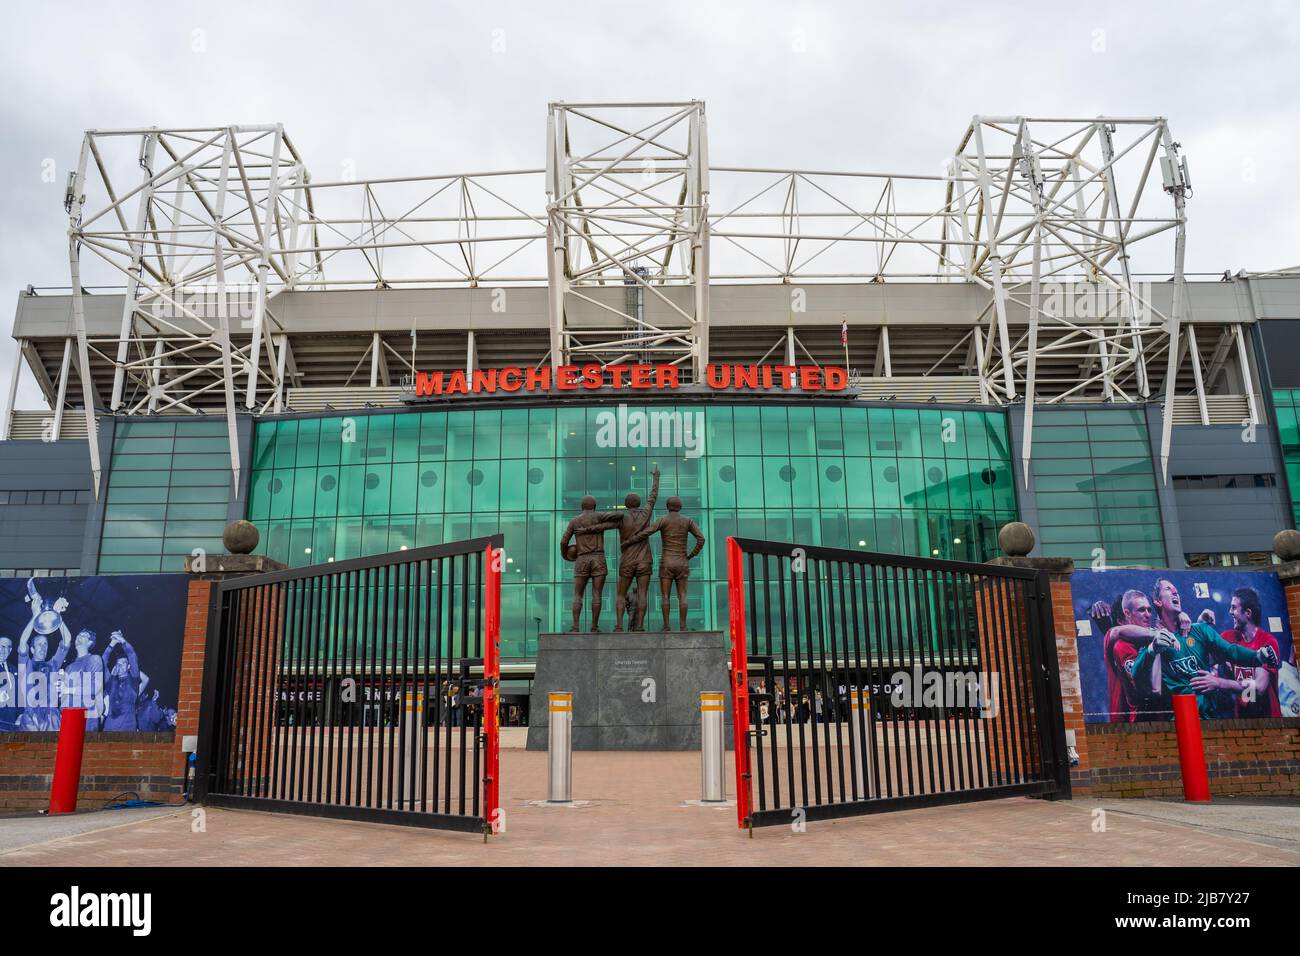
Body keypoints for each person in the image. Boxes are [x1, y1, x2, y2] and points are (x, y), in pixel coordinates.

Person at [1133, 579, 1278, 720]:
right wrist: (1152, 649)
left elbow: (1231, 653)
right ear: (1158, 601)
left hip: (1227, 718)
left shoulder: (1200, 630)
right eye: (1168, 589)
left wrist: (1257, 657)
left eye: (1176, 591)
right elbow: (1141, 678)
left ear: (1248, 613)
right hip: (1182, 721)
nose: (1175, 592)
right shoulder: (1156, 641)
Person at [1191, 587, 1281, 719]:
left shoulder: (1267, 642)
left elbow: (1259, 687)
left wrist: (1219, 683)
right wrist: (1200, 625)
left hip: (1269, 721)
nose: (1230, 612)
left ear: (1248, 613)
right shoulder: (1229, 638)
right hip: (1242, 721)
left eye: (1233, 608)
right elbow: (1199, 660)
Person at [627, 496, 706, 631]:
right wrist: (691, 555)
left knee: (665, 596)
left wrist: (631, 539)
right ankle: (683, 626)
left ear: (668, 507)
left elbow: (647, 532)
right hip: (682, 561)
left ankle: (666, 625)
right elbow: (701, 539)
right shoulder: (687, 521)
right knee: (682, 595)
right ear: (680, 507)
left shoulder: (663, 520)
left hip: (667, 562)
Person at [1094, 590, 1163, 722]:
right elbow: (1144, 690)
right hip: (1130, 724)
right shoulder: (1121, 645)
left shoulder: (1146, 643)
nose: (1148, 615)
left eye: (1149, 610)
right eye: (1141, 610)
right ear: (1122, 619)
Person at [559, 498, 624, 632]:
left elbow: (563, 542)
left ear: (582, 506)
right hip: (598, 558)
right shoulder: (598, 516)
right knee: (597, 594)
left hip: (581, 558)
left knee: (577, 594)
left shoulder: (574, 521)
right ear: (594, 506)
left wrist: (565, 555)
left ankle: (575, 626)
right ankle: (594, 626)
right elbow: (620, 515)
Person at [611, 466, 660, 632]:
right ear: (639, 503)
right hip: (644, 560)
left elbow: (602, 523)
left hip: (627, 560)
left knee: (620, 594)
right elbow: (652, 498)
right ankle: (639, 626)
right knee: (642, 594)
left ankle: (618, 625)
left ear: (625, 504)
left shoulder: (620, 517)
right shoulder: (645, 513)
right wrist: (656, 479)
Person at [51, 627, 106, 729]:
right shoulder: (69, 667)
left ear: (90, 642)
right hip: (67, 718)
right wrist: (59, 690)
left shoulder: (94, 659)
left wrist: (67, 689)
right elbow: (64, 696)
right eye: (78, 635)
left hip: (86, 720)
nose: (78, 636)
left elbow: (95, 688)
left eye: (84, 635)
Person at [101, 631, 141, 731]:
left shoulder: (133, 680)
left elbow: (132, 656)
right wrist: (112, 644)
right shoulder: (111, 682)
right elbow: (102, 663)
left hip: (128, 729)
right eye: (118, 663)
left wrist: (122, 641)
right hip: (109, 728)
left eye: (123, 663)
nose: (120, 665)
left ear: (128, 666)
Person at [0, 637, 17, 732]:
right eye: (0, 646)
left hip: (11, 722)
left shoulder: (14, 669)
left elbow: (19, 695)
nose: (2, 650)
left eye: (6, 647)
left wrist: (20, 715)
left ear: (10, 650)